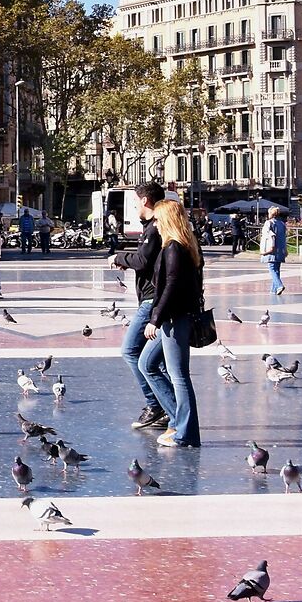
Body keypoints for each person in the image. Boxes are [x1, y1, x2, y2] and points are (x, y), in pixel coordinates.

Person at [139, 197, 205, 449]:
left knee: (179, 376)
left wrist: (155, 319)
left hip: (174, 319)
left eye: (157, 218)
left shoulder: (175, 247)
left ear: (166, 219)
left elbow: (172, 286)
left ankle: (185, 433)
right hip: (173, 317)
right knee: (147, 363)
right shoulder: (180, 245)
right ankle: (178, 421)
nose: (154, 222)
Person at [111, 181, 169, 434]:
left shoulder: (154, 228)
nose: (134, 205)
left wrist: (119, 258)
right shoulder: (154, 227)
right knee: (159, 361)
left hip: (151, 299)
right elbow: (147, 261)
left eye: (135, 201)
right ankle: (166, 407)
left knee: (131, 351)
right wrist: (131, 263)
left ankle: (155, 404)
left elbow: (144, 259)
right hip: (153, 296)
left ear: (145, 200)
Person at [260, 205, 289, 296]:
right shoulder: (282, 224)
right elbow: (284, 237)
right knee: (277, 270)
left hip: (271, 249)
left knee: (272, 269)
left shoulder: (268, 223)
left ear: (270, 214)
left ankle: (279, 286)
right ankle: (274, 290)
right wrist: (285, 249)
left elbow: (268, 236)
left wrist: (266, 249)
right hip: (280, 249)